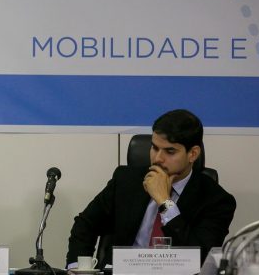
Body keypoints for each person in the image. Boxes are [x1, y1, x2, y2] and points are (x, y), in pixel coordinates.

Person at [66, 109, 236, 268]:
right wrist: (78, 268)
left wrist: (165, 202)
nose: (157, 158)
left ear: (193, 154)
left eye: (170, 151)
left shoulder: (217, 201)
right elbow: (85, 225)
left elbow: (199, 257)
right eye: (154, 148)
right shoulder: (126, 180)